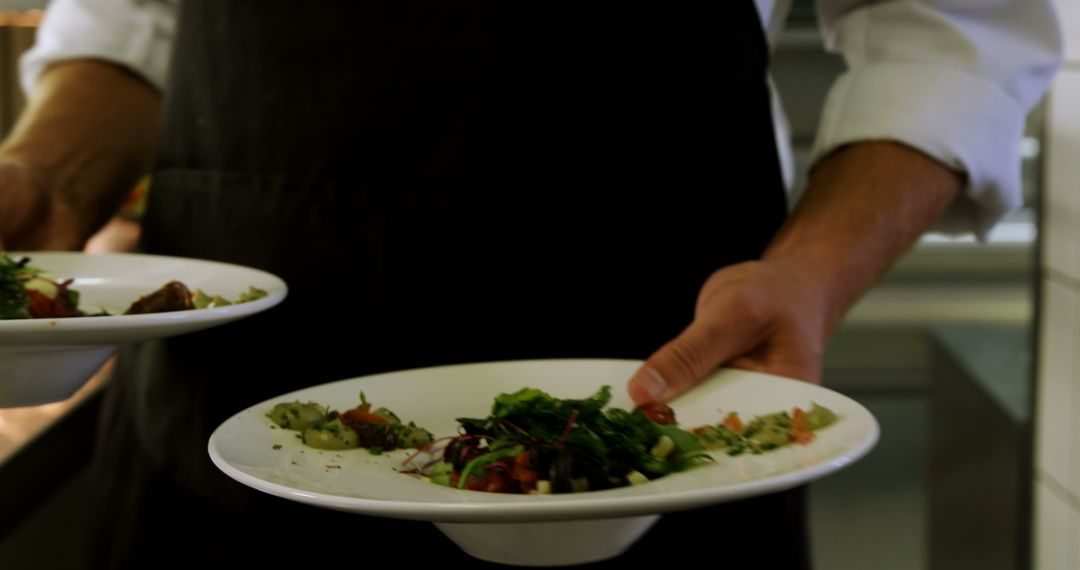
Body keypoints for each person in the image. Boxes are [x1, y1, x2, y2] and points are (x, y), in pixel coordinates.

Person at [0, 0, 1062, 568]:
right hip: (217, 453)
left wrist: (812, 276)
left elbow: (951, 27)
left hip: (651, 420)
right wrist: (44, 179)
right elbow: (135, 24)